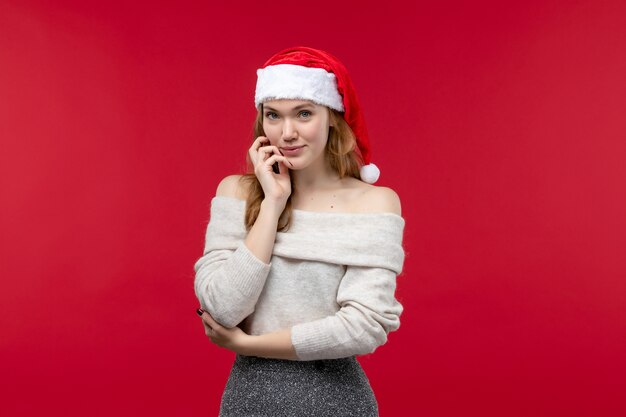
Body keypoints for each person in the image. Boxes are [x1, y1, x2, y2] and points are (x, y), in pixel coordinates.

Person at [193, 46, 406, 417]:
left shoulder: (375, 203)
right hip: (248, 403)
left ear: (332, 119)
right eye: (273, 115)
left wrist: (248, 343)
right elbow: (222, 307)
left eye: (304, 114)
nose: (287, 133)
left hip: (337, 404)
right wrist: (273, 204)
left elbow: (364, 327)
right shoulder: (236, 193)